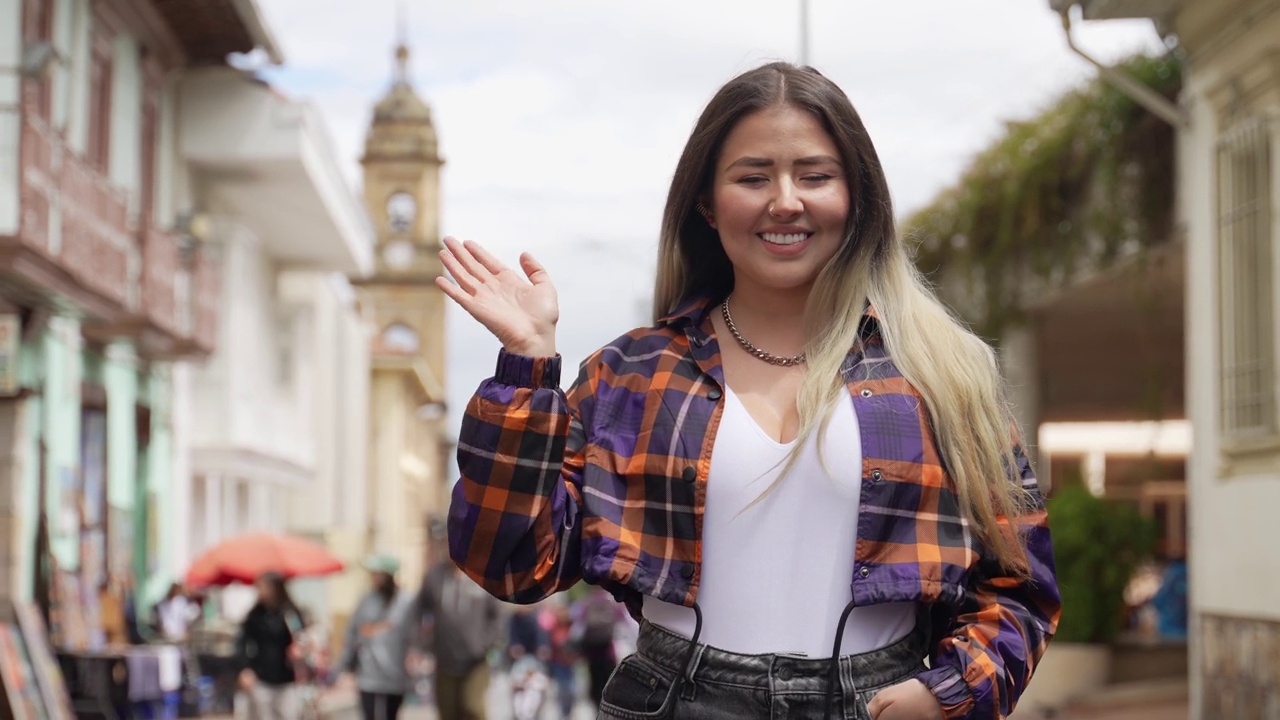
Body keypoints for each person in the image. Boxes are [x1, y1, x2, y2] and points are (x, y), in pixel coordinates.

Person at [438, 61, 1060, 720]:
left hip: (877, 703)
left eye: (816, 176)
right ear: (708, 202)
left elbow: (1021, 588)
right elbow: (508, 564)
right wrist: (527, 367)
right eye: (753, 176)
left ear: (857, 198)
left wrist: (950, 692)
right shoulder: (631, 375)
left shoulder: (940, 374)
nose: (786, 200)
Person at [333, 554, 422, 720]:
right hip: (368, 673)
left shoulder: (406, 601)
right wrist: (345, 664)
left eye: (377, 573)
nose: (373, 578)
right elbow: (353, 632)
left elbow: (415, 634)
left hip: (395, 673)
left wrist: (415, 659)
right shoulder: (367, 599)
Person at [418, 556, 505, 720]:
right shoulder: (435, 575)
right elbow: (420, 610)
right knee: (448, 711)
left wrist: (488, 642)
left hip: (475, 660)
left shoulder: (482, 575)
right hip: (445, 658)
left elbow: (498, 616)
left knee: (472, 707)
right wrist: (423, 643)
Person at [234, 572, 304, 720]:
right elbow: (241, 642)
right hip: (262, 677)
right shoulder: (255, 615)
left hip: (286, 677)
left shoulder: (289, 613)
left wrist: (298, 650)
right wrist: (245, 668)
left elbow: (299, 637)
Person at [571, 586, 623, 710]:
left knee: (595, 683)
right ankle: (610, 709)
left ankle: (597, 709)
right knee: (610, 682)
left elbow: (577, 627)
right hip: (609, 652)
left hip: (591, 653)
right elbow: (625, 622)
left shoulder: (585, 603)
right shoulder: (612, 603)